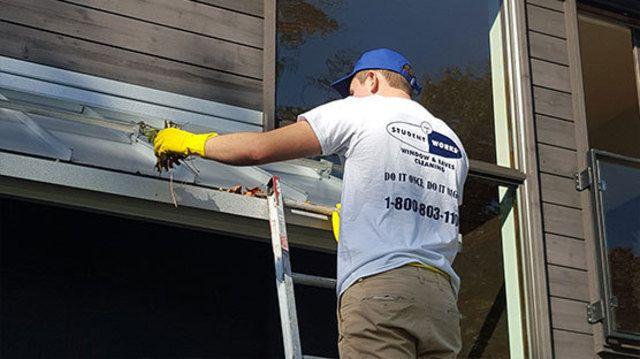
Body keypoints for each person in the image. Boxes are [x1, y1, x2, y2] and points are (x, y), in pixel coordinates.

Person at [154, 48, 468, 358]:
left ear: (372, 81)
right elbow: (417, 208)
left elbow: (258, 150)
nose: (351, 95)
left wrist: (191, 142)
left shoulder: (362, 109)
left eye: (353, 88)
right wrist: (355, 231)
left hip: (380, 288)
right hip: (440, 301)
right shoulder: (452, 143)